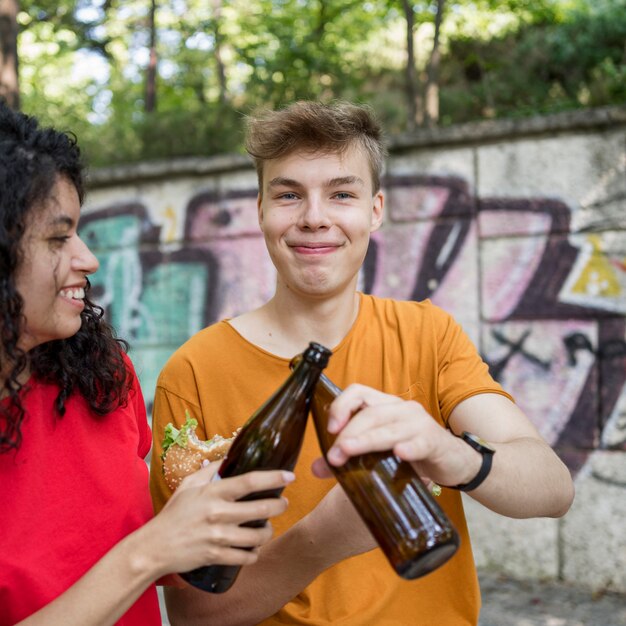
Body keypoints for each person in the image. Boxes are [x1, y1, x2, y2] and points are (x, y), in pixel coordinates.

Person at [149, 100, 575, 625]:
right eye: (288, 195)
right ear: (259, 209)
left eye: (341, 194)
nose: (314, 217)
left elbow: (553, 488)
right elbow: (194, 614)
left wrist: (452, 454)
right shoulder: (193, 372)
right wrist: (320, 541)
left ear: (375, 210)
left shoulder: (428, 334)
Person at [0, 101, 295, 626]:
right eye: (57, 237)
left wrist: (208, 507)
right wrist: (151, 551)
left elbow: (156, 544)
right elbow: (147, 552)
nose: (88, 258)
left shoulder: (102, 376)